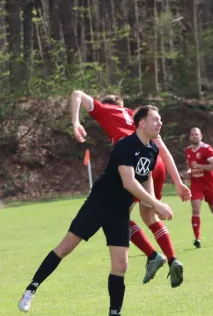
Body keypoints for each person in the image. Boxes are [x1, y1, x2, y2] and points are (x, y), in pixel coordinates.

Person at [18, 106, 175, 315]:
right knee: (65, 248)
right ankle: (31, 290)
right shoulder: (125, 146)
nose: (160, 124)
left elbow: (145, 177)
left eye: (161, 120)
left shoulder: (152, 150)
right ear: (141, 123)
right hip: (99, 204)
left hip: (120, 212)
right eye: (155, 120)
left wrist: (154, 204)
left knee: (121, 265)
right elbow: (129, 182)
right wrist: (156, 204)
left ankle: (114, 313)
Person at [69, 90, 189, 287]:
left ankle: (152, 255)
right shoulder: (137, 116)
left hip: (136, 165)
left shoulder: (106, 110)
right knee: (150, 216)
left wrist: (75, 122)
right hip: (154, 162)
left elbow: (77, 94)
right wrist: (178, 183)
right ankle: (172, 258)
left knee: (118, 216)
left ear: (108, 104)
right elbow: (165, 152)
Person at [184, 127, 213, 248]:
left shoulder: (207, 149)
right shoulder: (188, 151)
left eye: (196, 134)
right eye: (192, 135)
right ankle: (197, 239)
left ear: (201, 136)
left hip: (209, 184)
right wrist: (188, 172)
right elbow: (189, 165)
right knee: (195, 208)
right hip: (196, 185)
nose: (194, 136)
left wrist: (199, 165)